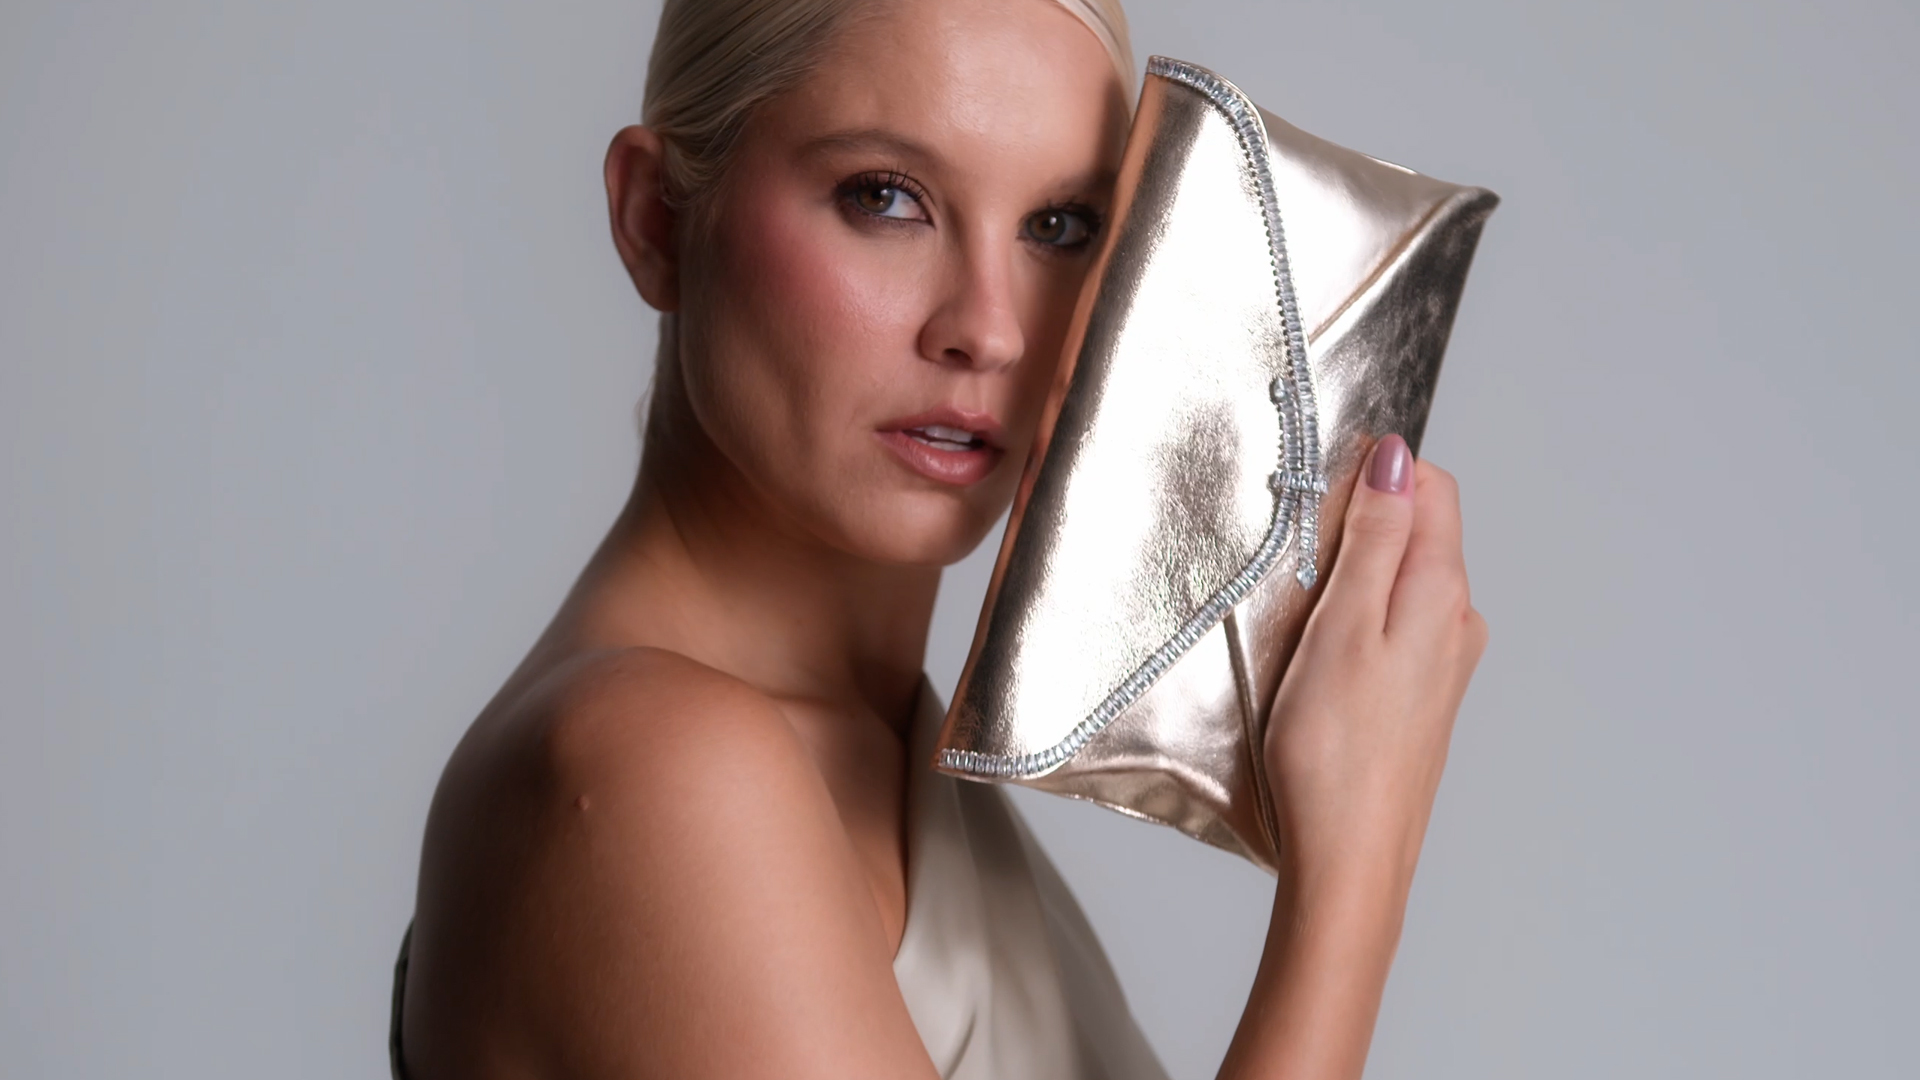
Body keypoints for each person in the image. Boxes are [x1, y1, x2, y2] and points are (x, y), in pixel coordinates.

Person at [393, 0, 1487, 1076]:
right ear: (655, 219)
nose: (989, 329)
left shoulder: (884, 752)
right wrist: (1356, 871)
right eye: (885, 198)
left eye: (1060, 228)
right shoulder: (654, 774)